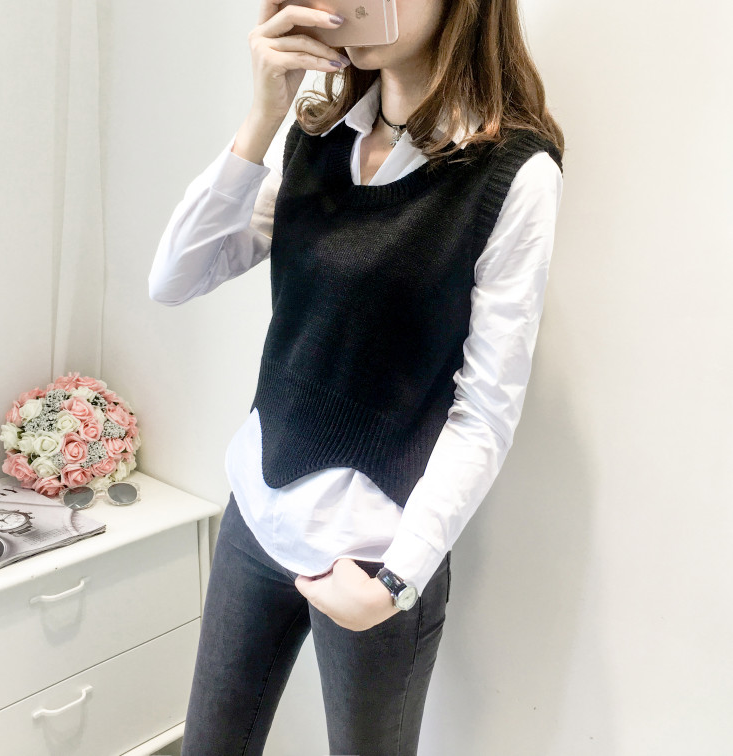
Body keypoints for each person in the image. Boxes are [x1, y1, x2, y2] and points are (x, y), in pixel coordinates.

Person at [148, 0, 565, 753]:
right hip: (257, 512)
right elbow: (174, 278)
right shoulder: (314, 138)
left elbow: (485, 408)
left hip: (374, 552)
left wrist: (398, 580)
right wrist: (262, 117)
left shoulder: (512, 173)